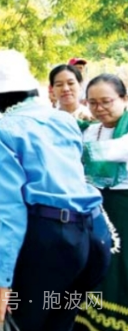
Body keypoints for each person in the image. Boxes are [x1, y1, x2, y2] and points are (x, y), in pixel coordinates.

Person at [0, 50, 111, 330]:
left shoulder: (6, 131)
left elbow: (11, 214)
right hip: (87, 235)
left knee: (27, 321)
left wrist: (3, 286)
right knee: (61, 319)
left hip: (46, 237)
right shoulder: (64, 120)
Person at [74, 74, 128, 331]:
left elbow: (112, 151)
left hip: (123, 208)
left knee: (120, 266)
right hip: (94, 205)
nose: (99, 108)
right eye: (93, 103)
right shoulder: (90, 129)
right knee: (96, 262)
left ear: (124, 98)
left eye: (106, 101)